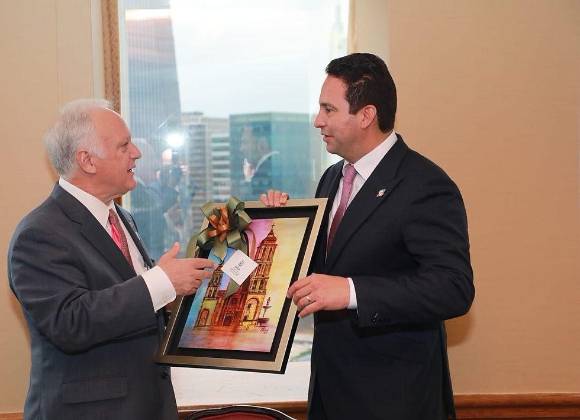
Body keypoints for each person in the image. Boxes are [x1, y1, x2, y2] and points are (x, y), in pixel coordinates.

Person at [261, 53, 474, 419]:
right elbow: (322, 271)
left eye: (329, 109)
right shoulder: (332, 178)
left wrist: (351, 292)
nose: (317, 120)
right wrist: (279, 227)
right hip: (329, 390)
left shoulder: (424, 184)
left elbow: (453, 288)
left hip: (392, 400)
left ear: (366, 115)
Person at [8, 99, 216, 420]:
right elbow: (70, 322)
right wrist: (161, 282)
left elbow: (131, 306)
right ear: (87, 160)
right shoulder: (39, 233)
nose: (137, 152)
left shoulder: (122, 218)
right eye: (124, 145)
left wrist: (175, 290)